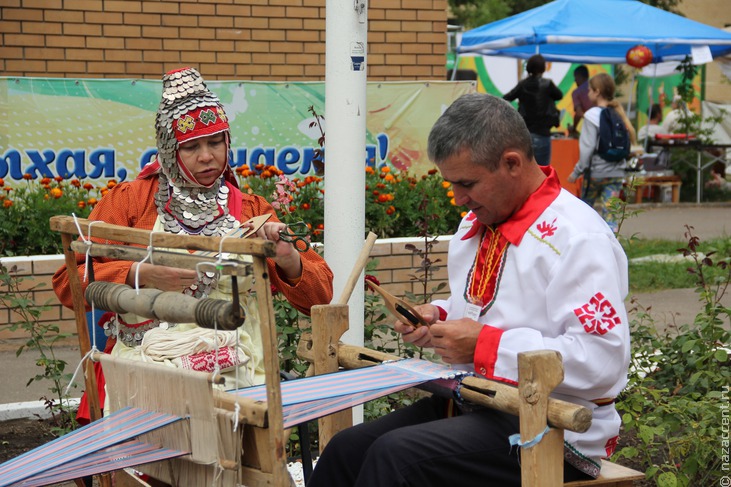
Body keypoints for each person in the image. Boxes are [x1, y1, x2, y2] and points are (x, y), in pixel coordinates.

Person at [307, 93, 630, 487]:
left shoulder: (577, 237)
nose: (458, 198)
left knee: (397, 458)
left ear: (512, 162)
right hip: (476, 403)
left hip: (554, 430)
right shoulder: (475, 228)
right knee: (347, 449)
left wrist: (484, 346)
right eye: (451, 183)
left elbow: (602, 360)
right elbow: (486, 311)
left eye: (467, 183)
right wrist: (439, 318)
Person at [53, 67, 334, 421]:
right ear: (169, 150)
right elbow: (68, 282)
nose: (206, 156)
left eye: (215, 142)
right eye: (191, 146)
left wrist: (290, 258)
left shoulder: (251, 210)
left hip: (238, 381)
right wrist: (141, 274)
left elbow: (320, 298)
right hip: (147, 377)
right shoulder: (131, 201)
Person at [567, 73, 636, 232]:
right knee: (610, 216)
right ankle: (612, 250)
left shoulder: (591, 115)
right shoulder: (618, 113)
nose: (588, 93)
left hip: (596, 174)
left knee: (584, 212)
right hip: (616, 173)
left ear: (597, 92)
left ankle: (584, 244)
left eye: (590, 90)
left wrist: (577, 172)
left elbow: (587, 149)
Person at [503, 54, 563, 166]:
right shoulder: (548, 84)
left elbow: (506, 98)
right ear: (543, 68)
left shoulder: (523, 84)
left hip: (525, 134)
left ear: (529, 67)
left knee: (524, 170)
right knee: (543, 171)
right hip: (543, 133)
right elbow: (559, 95)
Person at [567, 65, 595, 137]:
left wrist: (574, 127)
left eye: (575, 77)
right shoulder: (597, 87)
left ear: (579, 76)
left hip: (591, 126)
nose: (575, 80)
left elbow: (579, 113)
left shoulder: (577, 92)